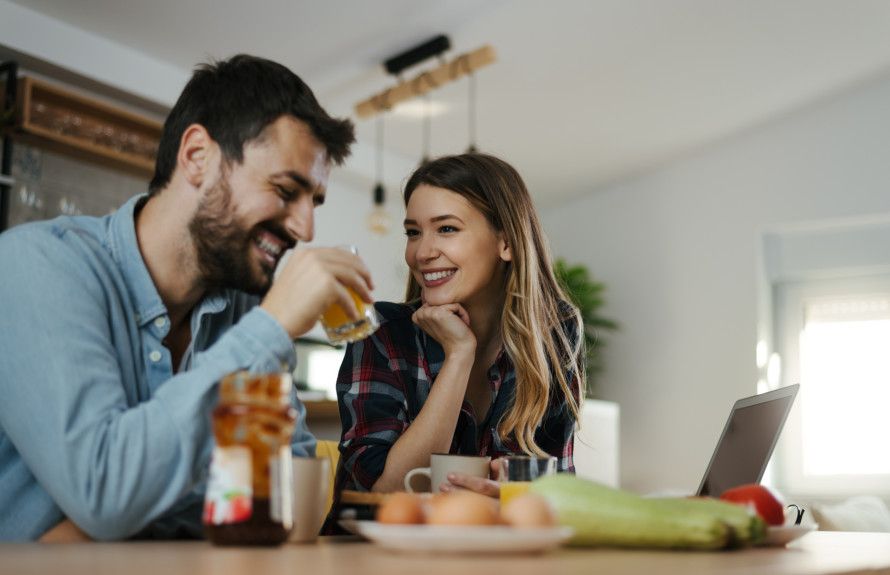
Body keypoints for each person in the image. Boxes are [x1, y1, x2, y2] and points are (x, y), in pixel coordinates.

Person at [0, 54, 374, 541]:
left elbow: (282, 498)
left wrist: (132, 505)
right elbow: (106, 493)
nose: (305, 228)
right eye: (285, 190)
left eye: (313, 202)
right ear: (198, 156)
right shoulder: (35, 266)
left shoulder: (243, 310)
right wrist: (272, 327)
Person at [336, 153, 583, 496]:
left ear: (507, 242)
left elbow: (556, 492)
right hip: (372, 548)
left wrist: (516, 495)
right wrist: (459, 357)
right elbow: (386, 490)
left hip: (491, 547)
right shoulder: (382, 332)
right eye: (413, 232)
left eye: (446, 229)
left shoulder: (554, 335)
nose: (421, 253)